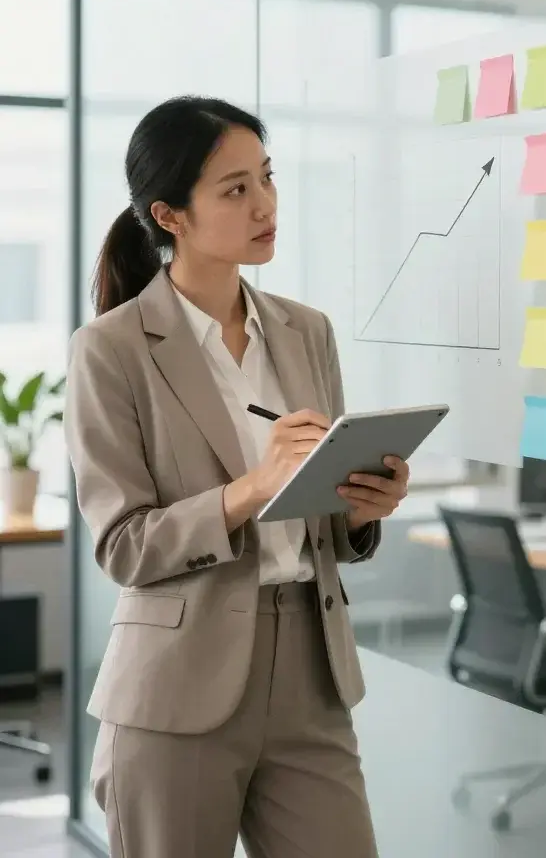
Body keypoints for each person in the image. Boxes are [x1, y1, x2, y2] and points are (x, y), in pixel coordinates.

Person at [64, 96, 410, 858]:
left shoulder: (305, 330)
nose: (266, 205)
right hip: (178, 688)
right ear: (171, 215)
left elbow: (326, 521)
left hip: (311, 677)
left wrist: (361, 510)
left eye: (268, 178)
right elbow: (124, 546)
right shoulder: (109, 350)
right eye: (235, 188)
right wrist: (251, 488)